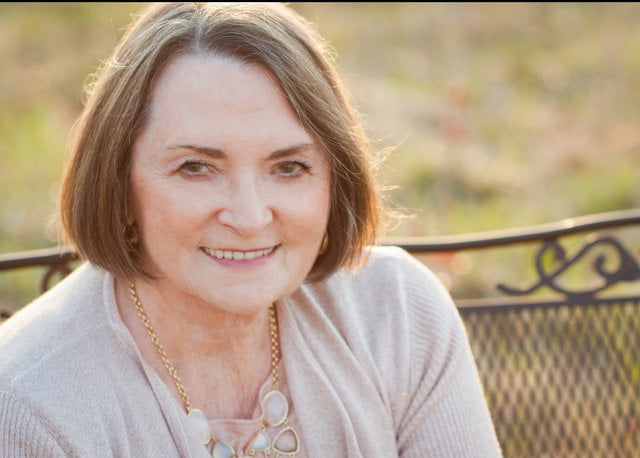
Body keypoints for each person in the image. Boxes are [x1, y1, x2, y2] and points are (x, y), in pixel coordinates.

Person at [0, 3, 502, 457]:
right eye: (196, 168)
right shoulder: (29, 405)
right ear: (118, 181)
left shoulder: (398, 314)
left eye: (289, 167)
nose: (249, 218)